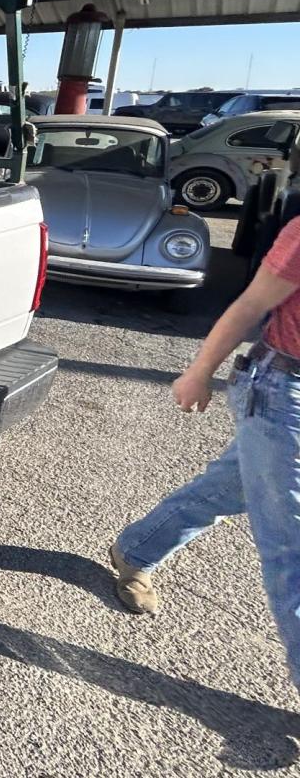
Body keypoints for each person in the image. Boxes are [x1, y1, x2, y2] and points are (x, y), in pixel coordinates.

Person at [110, 215, 300, 688]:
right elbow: (251, 304)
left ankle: (136, 550)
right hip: (284, 392)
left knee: (229, 489)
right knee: (291, 545)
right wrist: (199, 372)